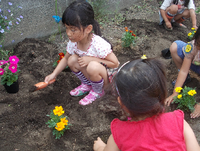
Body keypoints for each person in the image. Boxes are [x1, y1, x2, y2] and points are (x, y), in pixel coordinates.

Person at [93, 58, 200, 151]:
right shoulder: (178, 122)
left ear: (121, 103)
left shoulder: (119, 133)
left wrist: (100, 147)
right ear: (162, 94)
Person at [45, 0, 119, 105]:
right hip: (93, 76)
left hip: (108, 81)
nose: (68, 33)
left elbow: (115, 63)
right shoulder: (74, 42)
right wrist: (54, 74)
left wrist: (92, 59)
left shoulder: (98, 44)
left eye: (73, 29)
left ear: (88, 29)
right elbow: (66, 59)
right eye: (66, 28)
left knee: (92, 66)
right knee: (72, 60)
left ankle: (99, 91)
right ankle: (88, 85)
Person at [166, 26, 200, 118]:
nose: (199, 48)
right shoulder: (193, 46)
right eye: (198, 44)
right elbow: (184, 71)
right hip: (193, 63)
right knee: (175, 46)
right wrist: (175, 93)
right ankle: (186, 79)